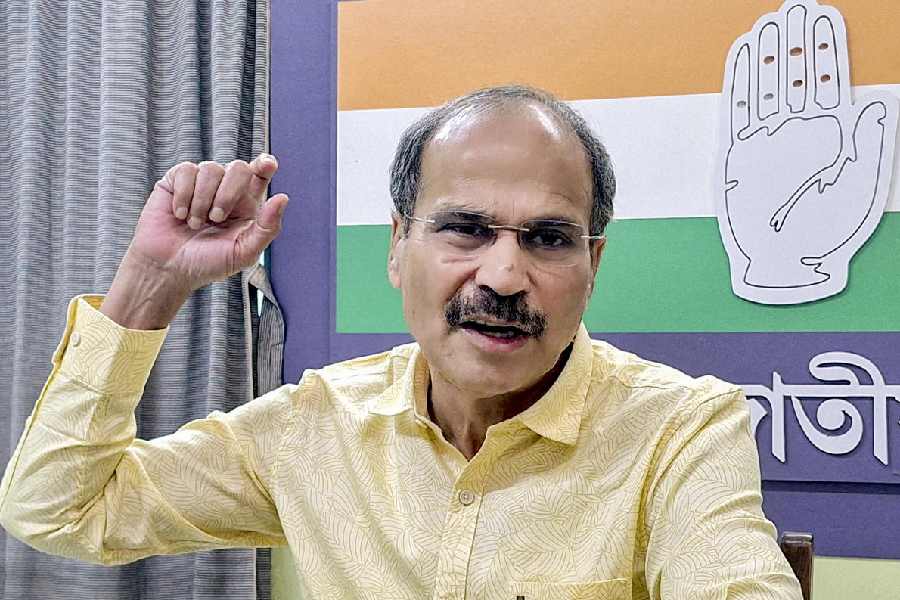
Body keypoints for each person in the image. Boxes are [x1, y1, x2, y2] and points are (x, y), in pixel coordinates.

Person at [0, 85, 802, 599]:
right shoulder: (313, 427)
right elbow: (60, 510)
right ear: (396, 246)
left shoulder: (681, 429)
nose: (505, 276)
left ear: (591, 265)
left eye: (549, 239)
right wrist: (150, 283)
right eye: (463, 228)